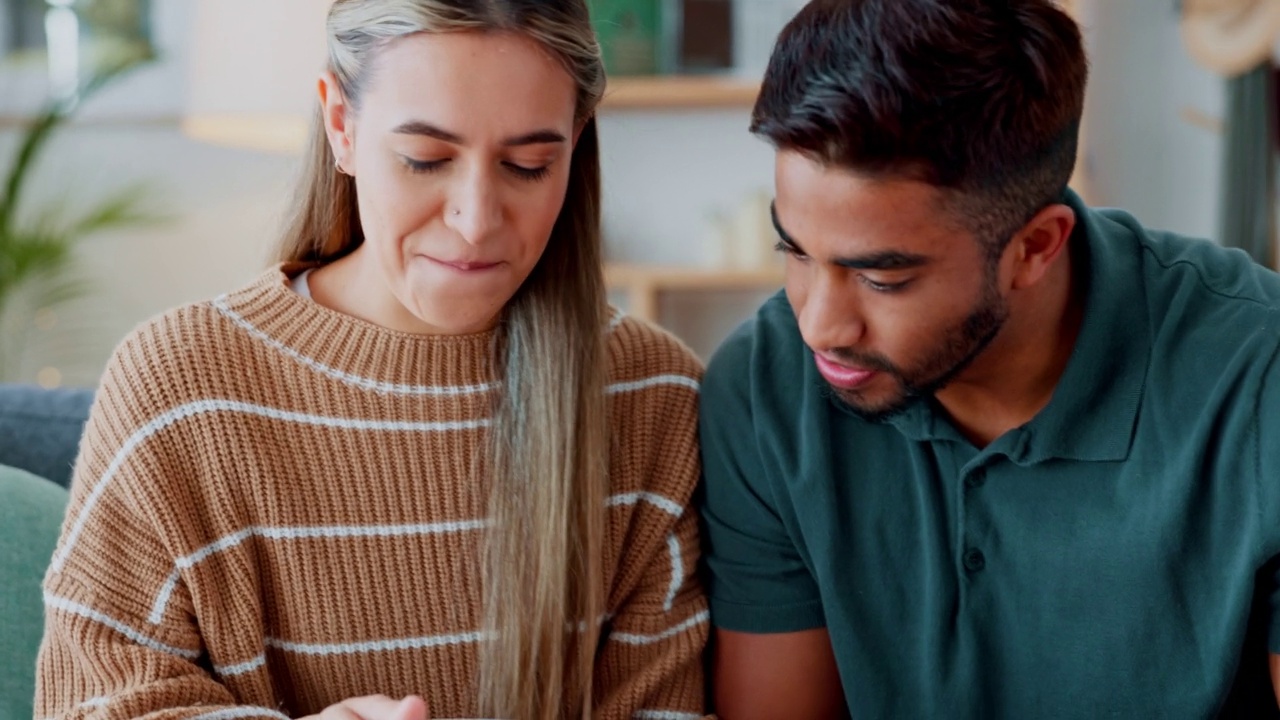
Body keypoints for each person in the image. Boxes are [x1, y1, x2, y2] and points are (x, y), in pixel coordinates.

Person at [36, 2, 709, 718]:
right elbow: (89, 702)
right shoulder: (180, 388)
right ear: (340, 125)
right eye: (425, 159)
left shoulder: (650, 395)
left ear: (576, 144)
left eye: (528, 165)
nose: (476, 219)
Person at [698, 0, 1280, 717]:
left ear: (1036, 247)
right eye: (793, 249)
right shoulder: (762, 393)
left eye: (883, 279)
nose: (819, 324)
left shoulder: (1261, 380)